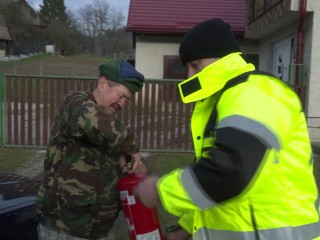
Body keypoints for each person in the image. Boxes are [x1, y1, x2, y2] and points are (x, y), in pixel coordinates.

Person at [135, 18, 320, 240]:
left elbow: (230, 171)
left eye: (195, 65)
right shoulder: (226, 100)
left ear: (222, 58)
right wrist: (186, 227)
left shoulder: (254, 92)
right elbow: (213, 180)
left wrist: (160, 190)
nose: (189, 76)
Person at [36, 59, 148, 240]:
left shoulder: (111, 126)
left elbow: (133, 167)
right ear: (102, 84)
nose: (122, 104)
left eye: (127, 99)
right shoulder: (76, 104)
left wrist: (134, 165)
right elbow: (93, 121)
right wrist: (133, 148)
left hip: (101, 231)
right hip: (64, 230)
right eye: (120, 95)